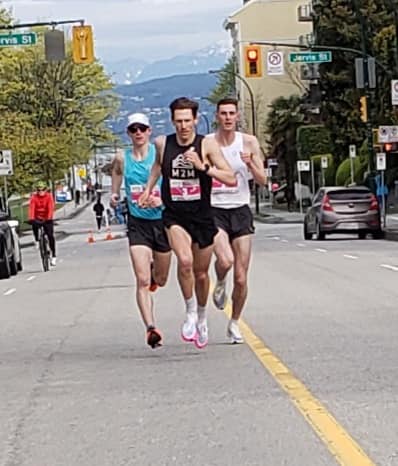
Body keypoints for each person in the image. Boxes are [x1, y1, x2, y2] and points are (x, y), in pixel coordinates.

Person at [139, 97, 236, 349]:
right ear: (172, 121)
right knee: (184, 261)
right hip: (175, 215)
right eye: (178, 121)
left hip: (202, 216)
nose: (183, 126)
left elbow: (230, 177)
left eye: (187, 121)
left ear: (195, 120)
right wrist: (148, 190)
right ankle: (190, 311)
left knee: (201, 273)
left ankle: (202, 316)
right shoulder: (163, 143)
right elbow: (158, 167)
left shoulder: (207, 144)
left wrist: (203, 167)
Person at [111, 113, 172, 349]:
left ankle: (156, 275)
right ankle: (150, 328)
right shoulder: (122, 158)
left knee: (161, 279)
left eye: (142, 129)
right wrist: (115, 194)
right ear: (128, 133)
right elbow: (117, 174)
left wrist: (161, 201)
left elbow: (174, 184)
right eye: (133, 129)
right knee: (141, 279)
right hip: (138, 224)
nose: (138, 133)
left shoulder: (159, 156)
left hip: (162, 221)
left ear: (149, 131)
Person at [208, 97, 266, 343]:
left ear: (238, 116)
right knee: (225, 260)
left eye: (232, 113)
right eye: (224, 113)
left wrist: (250, 162)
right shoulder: (208, 143)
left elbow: (263, 180)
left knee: (242, 277)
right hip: (215, 208)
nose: (228, 118)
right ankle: (220, 279)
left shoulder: (249, 142)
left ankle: (234, 323)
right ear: (217, 116)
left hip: (240, 209)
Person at [28, 181, 57, 266]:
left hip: (47, 218)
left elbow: (50, 208)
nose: (41, 192)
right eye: (39, 190)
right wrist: (31, 218)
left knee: (50, 235)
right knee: (34, 225)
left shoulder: (49, 197)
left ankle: (54, 256)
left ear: (45, 190)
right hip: (38, 217)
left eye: (42, 190)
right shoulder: (34, 197)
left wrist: (49, 218)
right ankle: (37, 240)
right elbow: (31, 208)